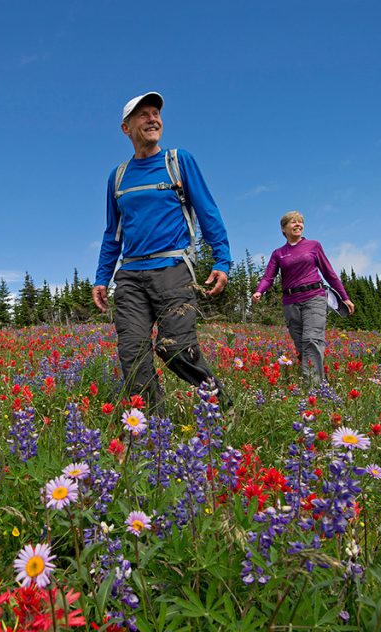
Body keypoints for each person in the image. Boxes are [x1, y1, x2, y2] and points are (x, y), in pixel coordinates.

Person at [91, 91, 232, 414]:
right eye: (143, 114)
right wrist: (102, 277)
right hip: (130, 276)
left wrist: (222, 259)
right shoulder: (118, 177)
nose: (152, 119)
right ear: (126, 128)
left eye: (156, 113)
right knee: (132, 353)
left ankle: (221, 406)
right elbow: (112, 234)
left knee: (177, 349)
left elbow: (208, 211)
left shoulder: (179, 161)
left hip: (173, 269)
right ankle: (155, 428)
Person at [251, 211, 354, 387]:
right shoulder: (278, 253)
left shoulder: (314, 246)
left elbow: (329, 273)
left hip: (314, 297)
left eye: (300, 222)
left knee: (312, 340)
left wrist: (345, 297)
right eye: (293, 222)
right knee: (301, 345)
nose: (298, 224)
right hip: (290, 302)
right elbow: (269, 277)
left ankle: (313, 389)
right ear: (284, 229)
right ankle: (320, 383)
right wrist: (259, 291)